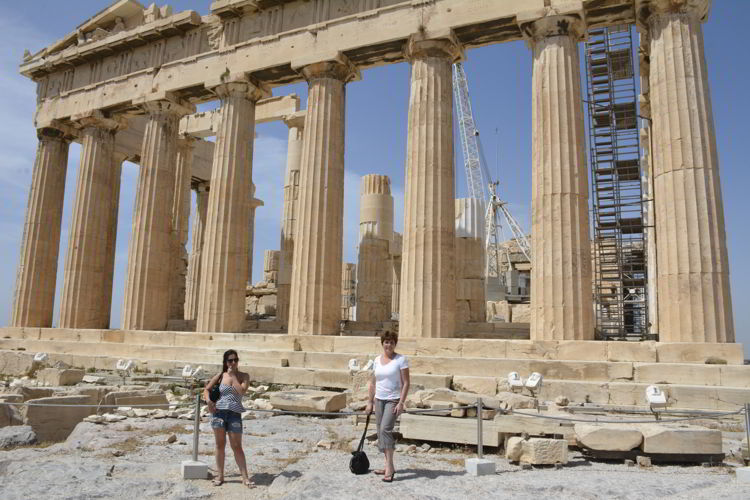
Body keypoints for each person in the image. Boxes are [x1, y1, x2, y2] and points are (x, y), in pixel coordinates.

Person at [365, 330, 410, 483]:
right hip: (379, 400)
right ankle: (386, 465)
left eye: (391, 342)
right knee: (380, 432)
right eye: (386, 342)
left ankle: (390, 467)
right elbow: (373, 382)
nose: (388, 345)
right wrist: (370, 402)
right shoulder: (377, 360)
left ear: (395, 344)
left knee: (385, 429)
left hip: (393, 400)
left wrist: (401, 402)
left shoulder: (401, 359)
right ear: (382, 343)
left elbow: (406, 383)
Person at [204, 349, 253, 487]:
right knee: (220, 444)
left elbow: (241, 391)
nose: (233, 363)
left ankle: (245, 477)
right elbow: (207, 389)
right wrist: (208, 401)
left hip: (234, 414)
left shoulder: (244, 376)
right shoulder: (220, 375)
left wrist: (234, 377)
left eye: (235, 360)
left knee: (237, 446)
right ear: (225, 362)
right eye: (230, 360)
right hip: (219, 413)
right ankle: (220, 476)